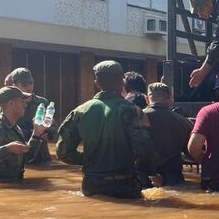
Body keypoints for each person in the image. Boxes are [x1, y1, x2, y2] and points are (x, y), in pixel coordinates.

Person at [56, 61, 154, 199]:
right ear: (122, 82)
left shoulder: (79, 112)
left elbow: (63, 152)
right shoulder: (133, 111)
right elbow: (145, 150)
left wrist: (89, 159)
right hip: (125, 185)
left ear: (96, 83)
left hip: (92, 185)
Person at [0, 87, 48, 183]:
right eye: (21, 101)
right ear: (11, 103)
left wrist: (36, 134)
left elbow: (26, 157)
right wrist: (7, 149)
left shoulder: (15, 127)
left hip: (16, 184)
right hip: (0, 187)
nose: (25, 105)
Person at [0, 68, 54, 165]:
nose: (29, 87)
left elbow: (53, 126)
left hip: (41, 157)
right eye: (24, 84)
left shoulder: (42, 103)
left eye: (31, 83)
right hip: (18, 157)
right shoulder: (8, 106)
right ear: (14, 85)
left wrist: (49, 134)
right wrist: (33, 133)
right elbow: (2, 132)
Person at [142, 82, 193, 187]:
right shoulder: (184, 122)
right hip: (173, 177)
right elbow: (191, 152)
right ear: (169, 99)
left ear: (147, 99)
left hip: (143, 176)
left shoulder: (136, 118)